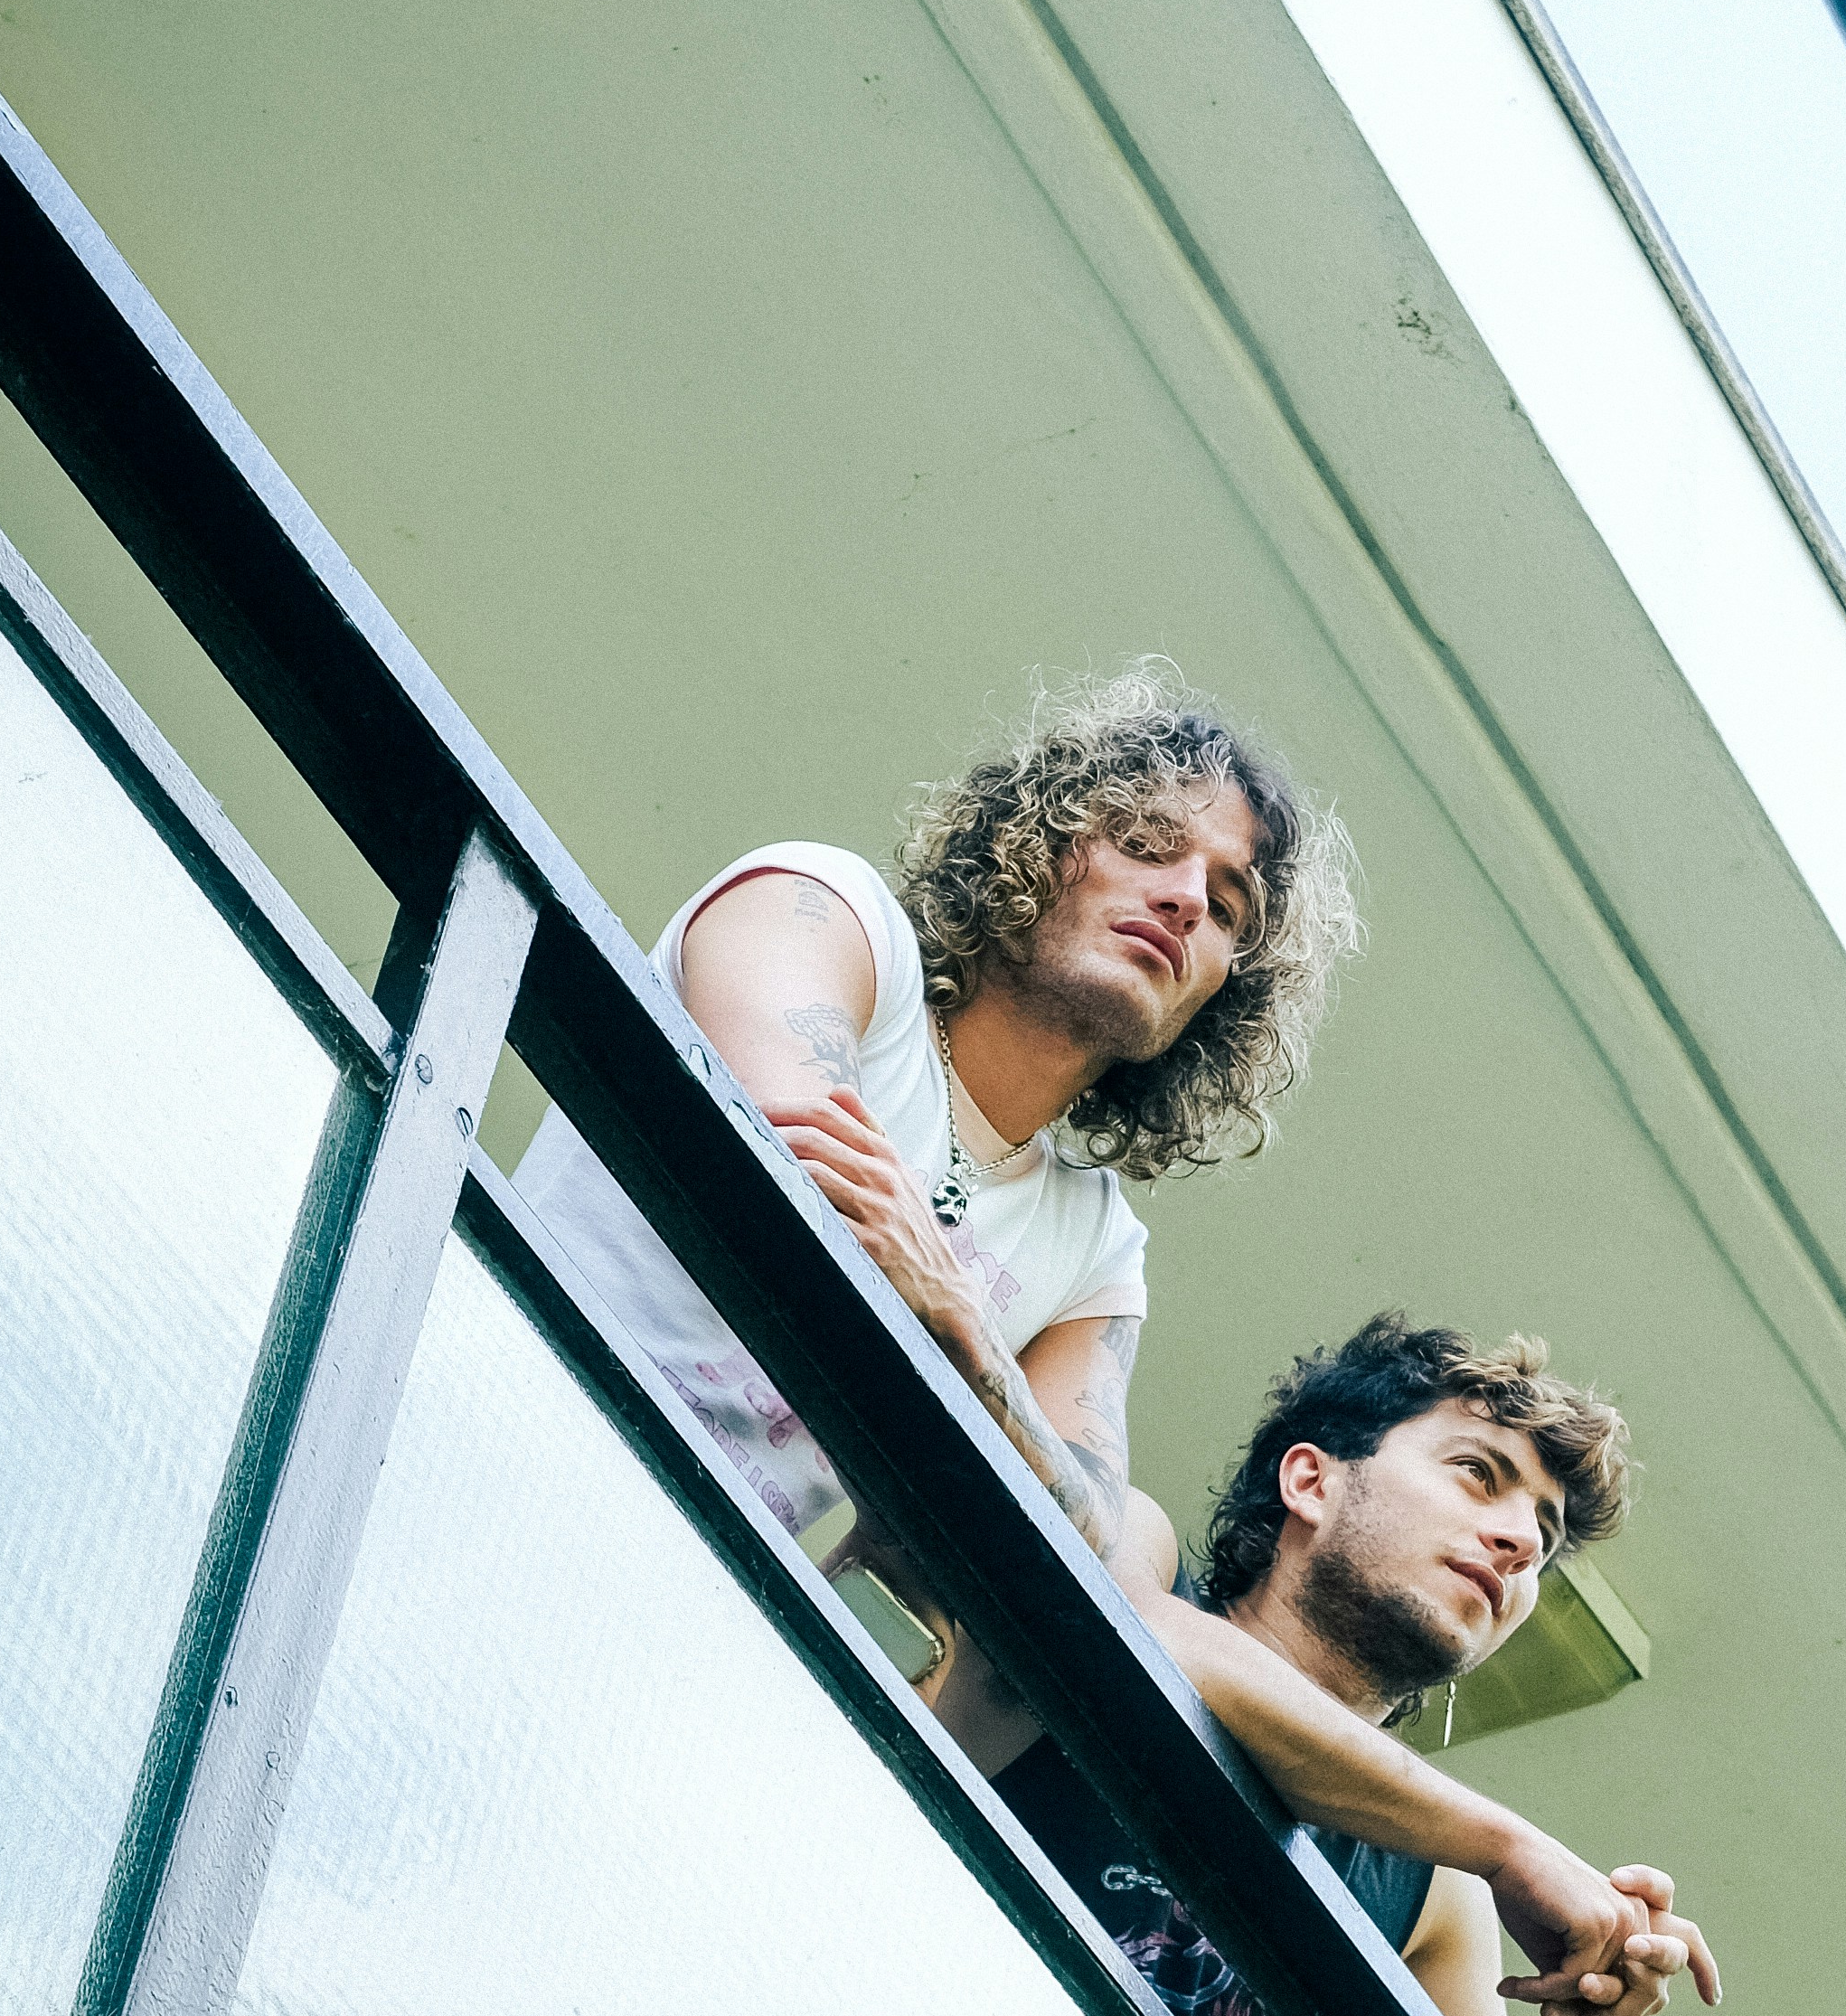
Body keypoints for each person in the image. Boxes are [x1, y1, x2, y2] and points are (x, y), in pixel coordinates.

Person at [514, 662, 1356, 1603]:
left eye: (1227, 906)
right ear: (1037, 846)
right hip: (499, 1387)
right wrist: (977, 1381)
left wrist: (957, 1318)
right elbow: (787, 1185)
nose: (1187, 900)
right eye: (1144, 842)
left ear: (1219, 993)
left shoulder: (1096, 1244)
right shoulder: (831, 914)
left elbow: (1083, 1525)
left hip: (652, 1586)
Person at [969, 1315, 1721, 2016]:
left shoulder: (1434, 1895)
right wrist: (1509, 1845)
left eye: (1544, 1532)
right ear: (1311, 1480)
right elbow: (1140, 1639)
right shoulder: (1140, 1543)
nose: (1521, 1543)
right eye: (1477, 1474)